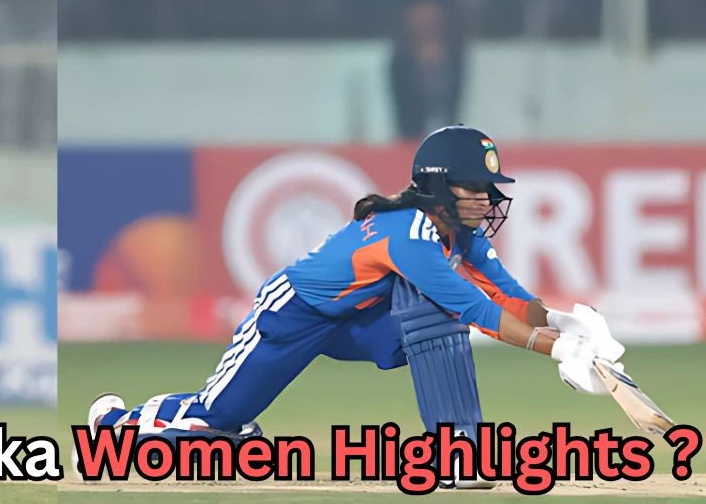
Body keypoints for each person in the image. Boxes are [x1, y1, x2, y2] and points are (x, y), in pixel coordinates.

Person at [84, 125, 624, 487]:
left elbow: (506, 296)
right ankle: (117, 424)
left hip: (362, 324)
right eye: (476, 187)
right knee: (218, 421)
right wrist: (558, 351)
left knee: (432, 307)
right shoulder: (409, 235)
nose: (489, 199)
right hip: (293, 315)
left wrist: (559, 322)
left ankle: (457, 449)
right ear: (442, 187)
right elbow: (476, 310)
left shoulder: (458, 232)